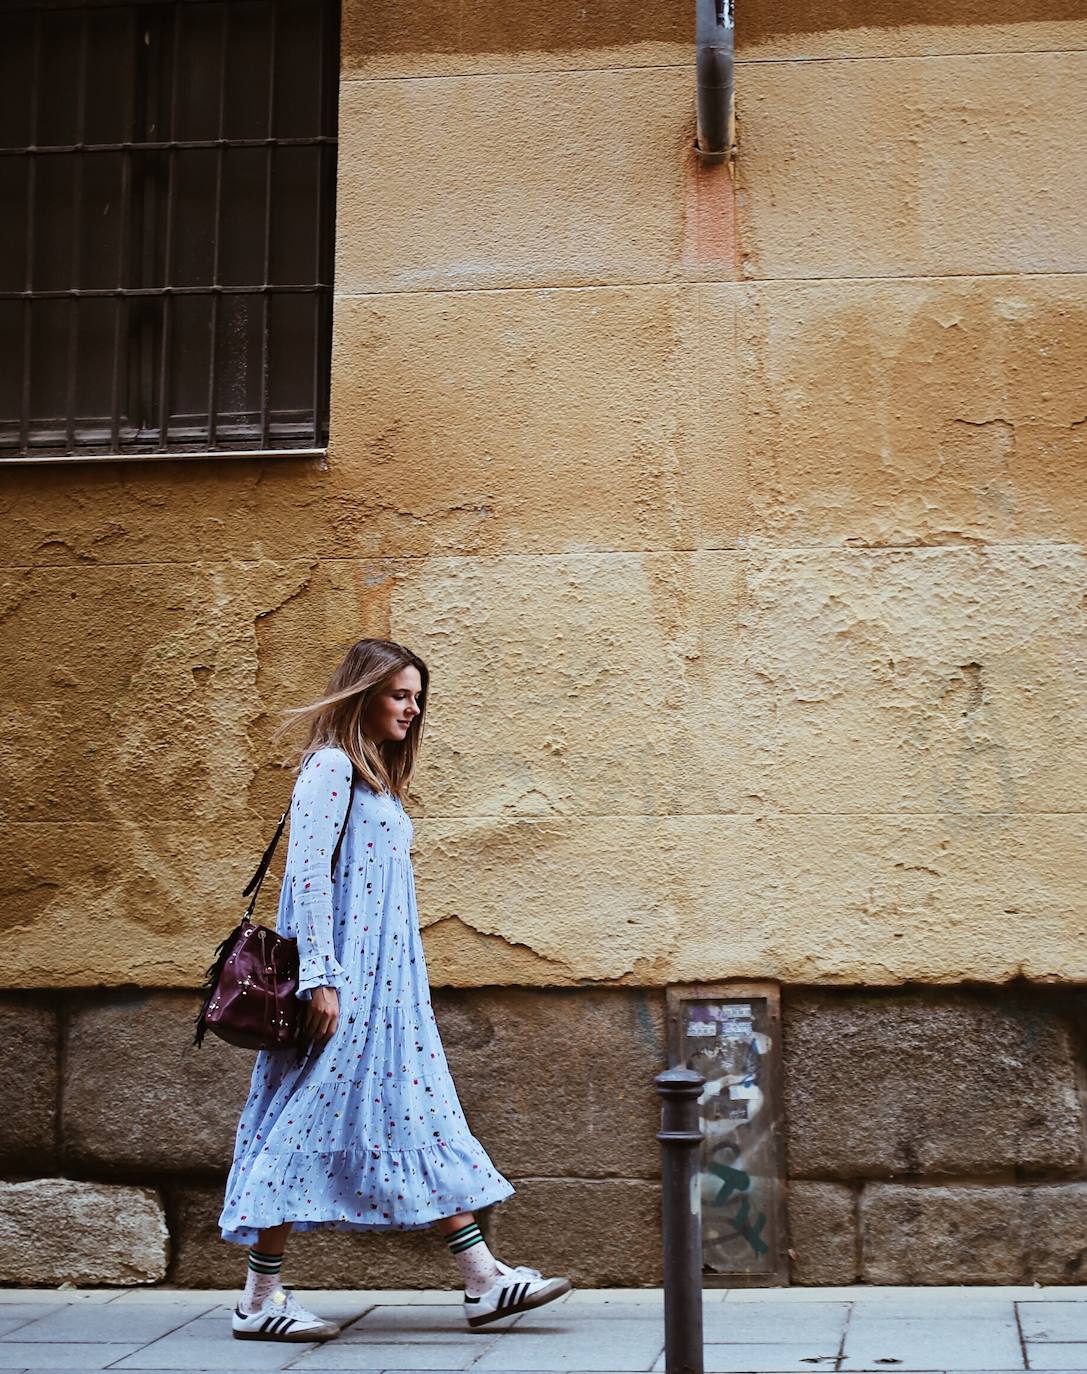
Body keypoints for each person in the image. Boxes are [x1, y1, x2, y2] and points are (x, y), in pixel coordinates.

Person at [219, 637, 572, 1342]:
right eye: (398, 694)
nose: (411, 707)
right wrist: (321, 978)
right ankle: (258, 1301)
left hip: (385, 996)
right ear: (363, 693)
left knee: (416, 1114)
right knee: (303, 1124)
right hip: (343, 989)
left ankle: (483, 1281)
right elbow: (309, 876)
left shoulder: (373, 775)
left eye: (417, 696)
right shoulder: (329, 767)